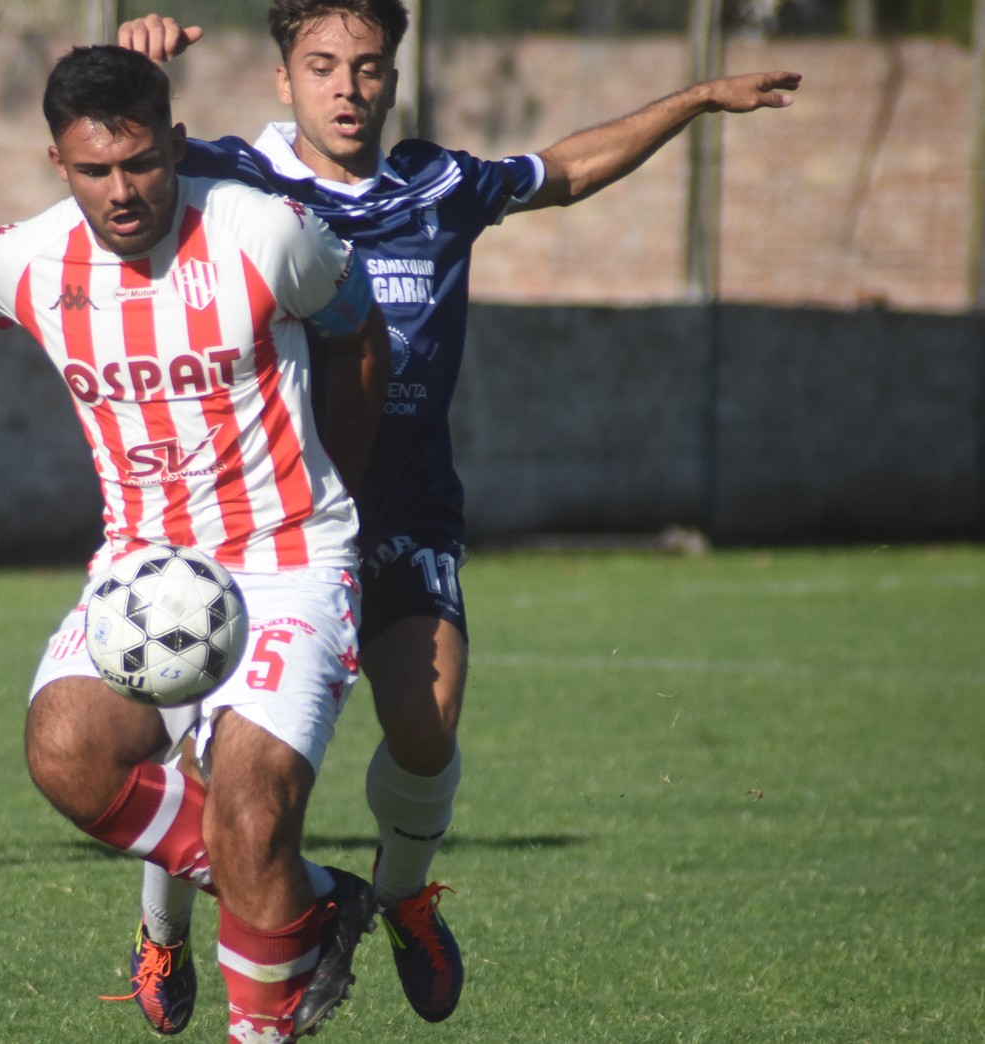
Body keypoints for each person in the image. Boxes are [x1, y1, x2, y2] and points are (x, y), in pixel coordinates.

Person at [116, 1, 801, 1029]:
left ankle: (399, 897)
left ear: (392, 78)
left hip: (403, 509)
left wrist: (697, 96)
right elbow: (115, 173)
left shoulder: (435, 186)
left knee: (426, 728)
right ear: (281, 80)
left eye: (366, 67)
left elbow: (563, 171)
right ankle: (162, 933)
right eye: (321, 66)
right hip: (266, 517)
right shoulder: (228, 180)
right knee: (213, 763)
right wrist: (135, 70)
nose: (345, 87)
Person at [0, 44, 392, 1043]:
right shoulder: (30, 256)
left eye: (140, 162)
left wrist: (343, 484)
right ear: (57, 162)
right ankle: (303, 896)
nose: (121, 189)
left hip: (287, 556)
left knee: (249, 796)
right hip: (144, 570)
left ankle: (261, 995)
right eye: (94, 169)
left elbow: (358, 333)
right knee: (64, 751)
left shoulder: (263, 234)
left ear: (175, 145)